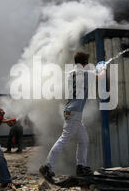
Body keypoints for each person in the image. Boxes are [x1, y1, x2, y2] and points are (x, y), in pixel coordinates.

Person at [39, 52, 106, 183]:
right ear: (85, 62)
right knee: (64, 139)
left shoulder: (71, 74)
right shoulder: (86, 74)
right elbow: (101, 77)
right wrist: (103, 68)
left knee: (84, 140)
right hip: (74, 112)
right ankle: (47, 166)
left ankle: (81, 166)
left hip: (71, 111)